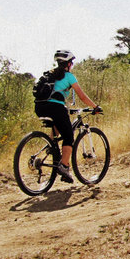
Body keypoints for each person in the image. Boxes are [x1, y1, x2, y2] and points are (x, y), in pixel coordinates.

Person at [34, 50, 102, 183]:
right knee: (69, 136)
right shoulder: (69, 76)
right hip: (55, 108)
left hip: (40, 107)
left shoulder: (50, 74)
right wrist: (95, 107)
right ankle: (64, 166)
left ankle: (51, 147)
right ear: (68, 64)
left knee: (58, 125)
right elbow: (82, 96)